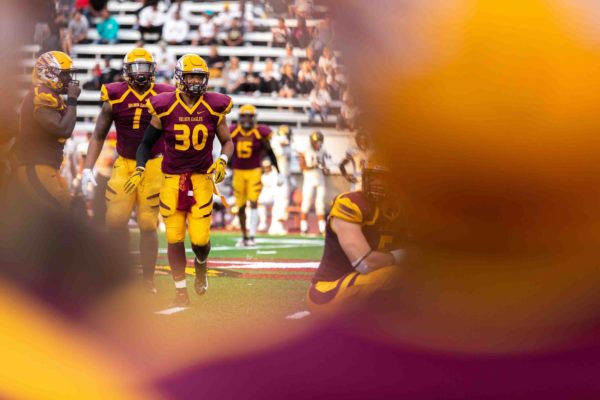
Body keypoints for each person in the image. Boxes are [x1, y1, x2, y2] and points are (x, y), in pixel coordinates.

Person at [126, 54, 233, 307]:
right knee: (174, 237)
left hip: (202, 179)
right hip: (172, 179)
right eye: (191, 76)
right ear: (179, 78)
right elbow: (145, 143)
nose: (196, 81)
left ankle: (201, 264)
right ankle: (180, 290)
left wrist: (223, 160)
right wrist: (140, 167)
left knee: (199, 241)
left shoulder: (214, 105)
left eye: (199, 76)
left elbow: (227, 141)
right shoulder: (164, 105)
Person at [81, 48, 175, 293]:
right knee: (115, 221)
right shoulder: (115, 94)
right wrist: (87, 169)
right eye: (136, 68)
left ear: (153, 70)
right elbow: (99, 133)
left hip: (154, 165)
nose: (141, 74)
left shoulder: (166, 94)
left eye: (145, 68)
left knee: (147, 224)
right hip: (124, 164)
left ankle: (147, 280)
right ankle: (117, 271)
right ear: (126, 71)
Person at [307, 158, 403, 311]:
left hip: (366, 286)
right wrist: (404, 256)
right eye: (373, 177)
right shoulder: (351, 203)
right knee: (397, 274)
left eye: (384, 178)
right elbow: (365, 263)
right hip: (329, 291)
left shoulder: (401, 209)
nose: (377, 183)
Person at [13, 51, 80, 209]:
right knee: (61, 211)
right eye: (65, 75)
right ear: (48, 74)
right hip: (35, 165)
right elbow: (63, 130)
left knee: (70, 211)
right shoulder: (42, 95)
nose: (69, 80)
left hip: (47, 166)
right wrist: (72, 100)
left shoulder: (49, 95)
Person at [230, 104, 281, 246]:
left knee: (253, 203)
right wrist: (225, 166)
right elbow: (227, 150)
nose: (247, 119)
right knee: (240, 206)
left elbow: (270, 152)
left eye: (250, 116)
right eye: (244, 116)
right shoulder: (233, 132)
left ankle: (251, 236)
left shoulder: (260, 132)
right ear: (240, 118)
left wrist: (279, 170)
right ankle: (244, 236)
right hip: (238, 171)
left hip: (254, 171)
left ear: (254, 118)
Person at [297, 131, 329, 234]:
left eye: (319, 142)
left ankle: (322, 228)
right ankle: (303, 227)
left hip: (320, 179)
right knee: (306, 203)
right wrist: (314, 166)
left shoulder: (322, 150)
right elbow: (302, 167)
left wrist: (325, 169)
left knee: (320, 204)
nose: (317, 144)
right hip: (309, 180)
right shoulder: (305, 150)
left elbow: (323, 165)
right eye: (316, 142)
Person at [268, 125, 293, 235]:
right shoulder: (276, 143)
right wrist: (282, 143)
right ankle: (275, 225)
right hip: (278, 175)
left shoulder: (287, 145)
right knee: (279, 201)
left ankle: (277, 225)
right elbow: (278, 154)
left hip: (285, 175)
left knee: (283, 202)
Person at [257, 159, 278, 232]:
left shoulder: (274, 174)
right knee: (259, 204)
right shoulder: (263, 175)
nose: (266, 169)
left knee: (275, 207)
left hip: (273, 194)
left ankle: (274, 224)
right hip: (265, 193)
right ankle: (263, 223)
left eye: (268, 167)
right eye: (265, 167)